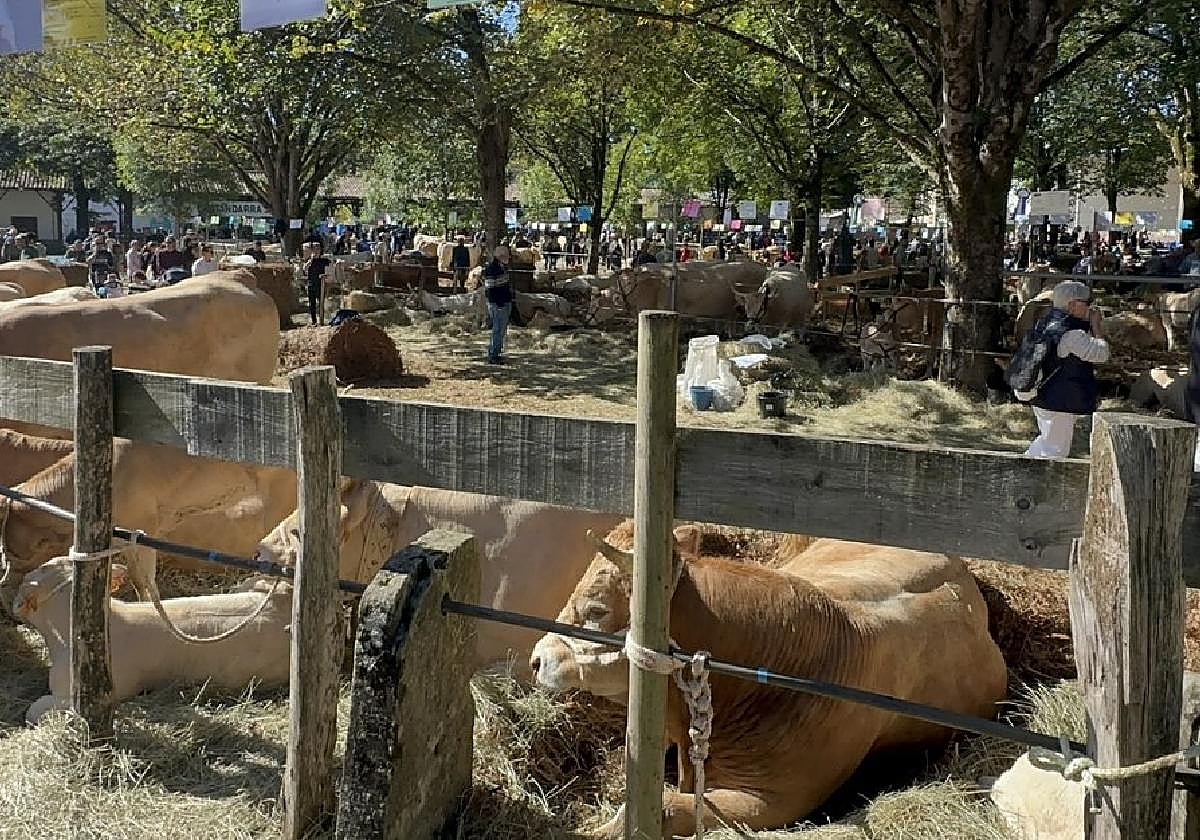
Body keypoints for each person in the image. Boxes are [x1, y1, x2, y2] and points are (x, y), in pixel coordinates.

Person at [1010, 281, 1110, 458]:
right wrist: (1096, 327)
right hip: (1059, 396)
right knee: (1054, 451)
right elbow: (1101, 354)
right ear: (1073, 305)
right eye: (1087, 304)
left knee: (1046, 442)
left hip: (1040, 391)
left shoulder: (1045, 322)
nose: (1091, 309)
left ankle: (1023, 471)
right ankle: (1029, 480)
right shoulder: (1072, 334)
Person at [482, 244, 513, 364]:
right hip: (498, 304)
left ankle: (497, 352)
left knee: (501, 329)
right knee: (497, 329)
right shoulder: (492, 269)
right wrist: (499, 303)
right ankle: (493, 354)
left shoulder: (501, 267)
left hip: (504, 302)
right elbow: (490, 289)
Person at [304, 241, 332, 326]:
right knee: (312, 304)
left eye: (318, 249)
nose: (316, 251)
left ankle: (322, 319)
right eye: (314, 249)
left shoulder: (324, 260)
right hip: (311, 283)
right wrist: (310, 261)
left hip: (321, 284)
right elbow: (304, 270)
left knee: (321, 303)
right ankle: (314, 321)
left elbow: (330, 268)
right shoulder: (309, 260)